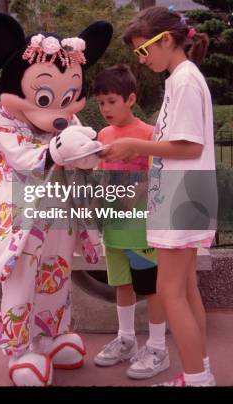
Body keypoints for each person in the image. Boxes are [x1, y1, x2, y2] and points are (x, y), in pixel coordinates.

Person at [0, 11, 112, 387]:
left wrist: (89, 153)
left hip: (58, 207)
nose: (59, 111)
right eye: (46, 97)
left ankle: (51, 336)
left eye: (69, 97)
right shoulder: (1, 115)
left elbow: (75, 151)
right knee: (22, 278)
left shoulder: (70, 120)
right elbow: (23, 159)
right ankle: (19, 349)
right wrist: (61, 150)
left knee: (57, 273)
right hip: (19, 213)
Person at [101, 6, 216, 387]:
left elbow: (187, 147)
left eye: (143, 50)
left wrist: (136, 144)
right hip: (186, 196)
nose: (142, 59)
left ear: (166, 40)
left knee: (170, 292)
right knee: (184, 289)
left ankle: (197, 377)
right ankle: (202, 371)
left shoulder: (183, 81)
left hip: (181, 196)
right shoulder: (183, 78)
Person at [92, 64, 169, 380]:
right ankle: (125, 339)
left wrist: (135, 190)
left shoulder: (148, 134)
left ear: (131, 99)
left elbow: (158, 173)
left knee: (150, 287)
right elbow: (99, 172)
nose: (106, 108)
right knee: (121, 282)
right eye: (100, 102)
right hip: (113, 225)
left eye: (111, 100)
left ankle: (158, 346)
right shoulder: (102, 135)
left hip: (140, 226)